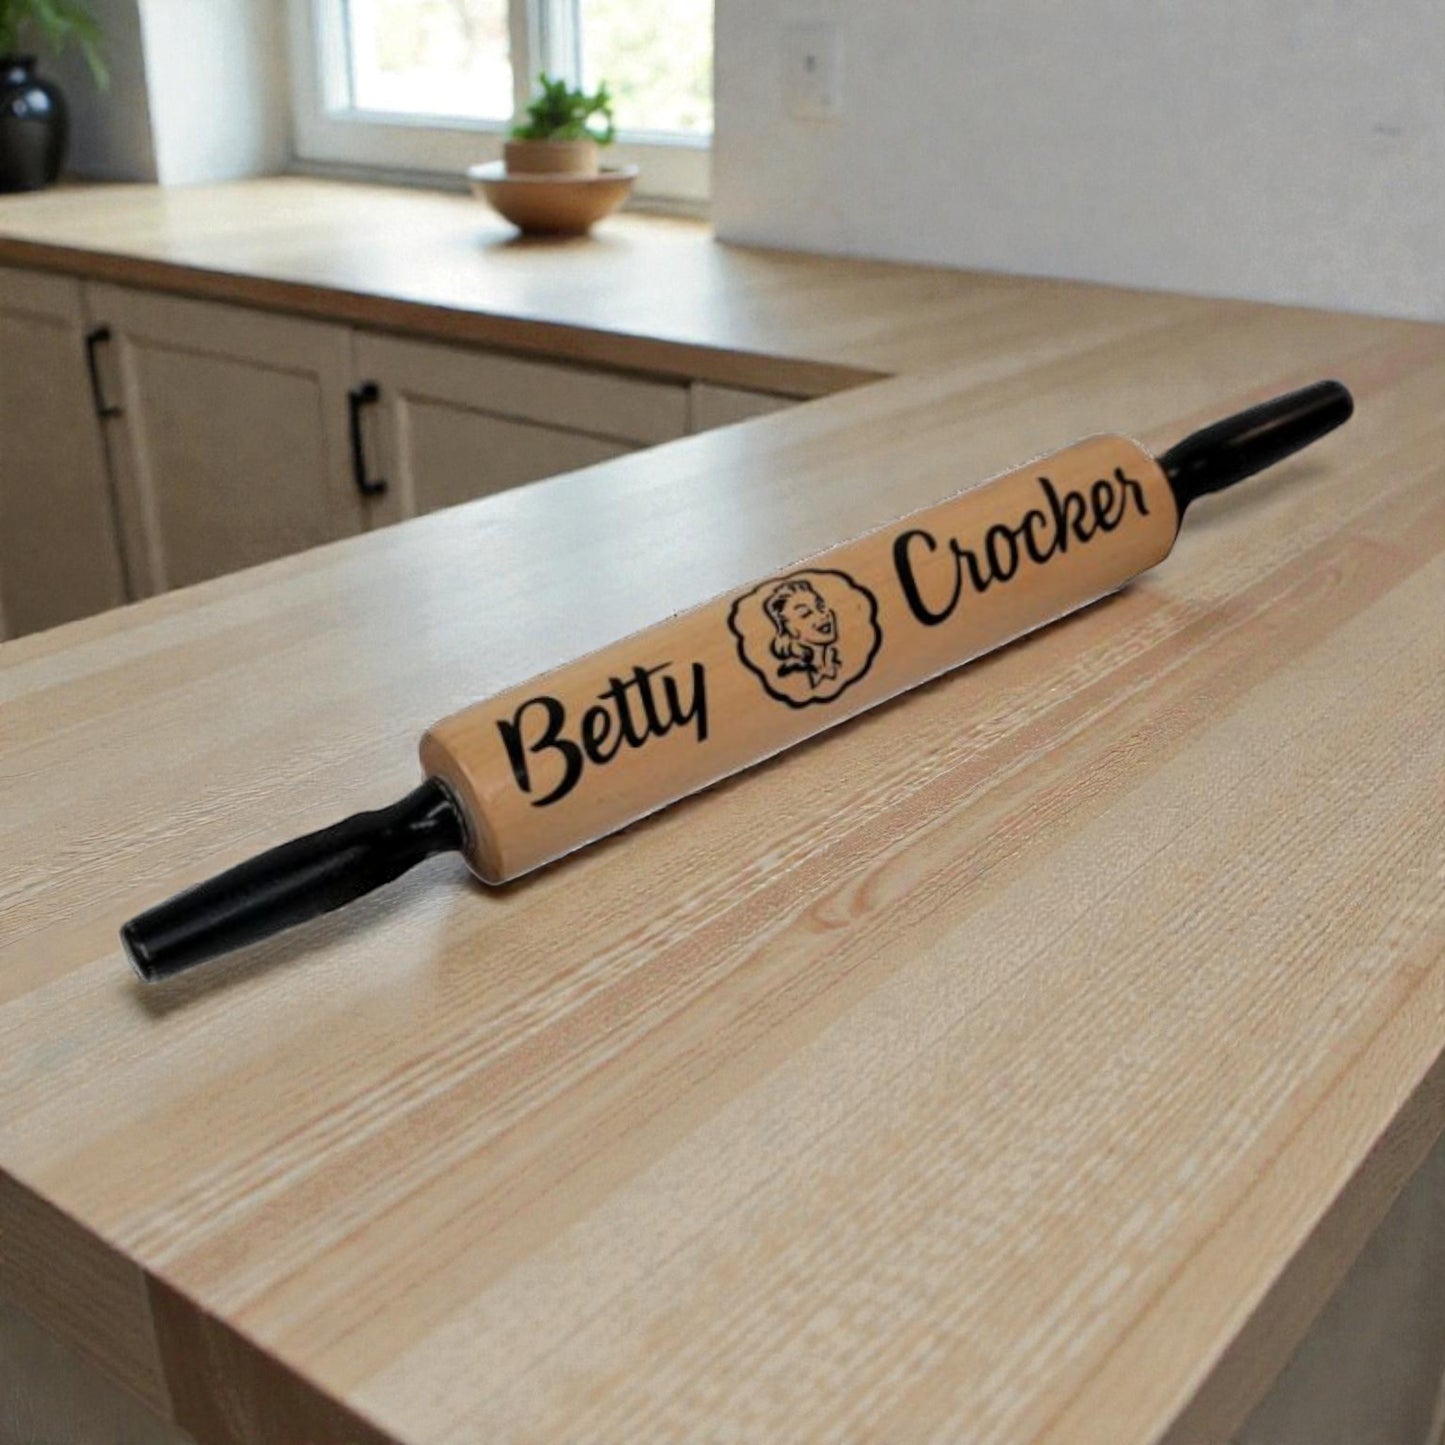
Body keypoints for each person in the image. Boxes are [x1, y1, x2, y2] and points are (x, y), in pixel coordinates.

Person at [764, 578, 841, 690]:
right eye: (806, 613)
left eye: (821, 606)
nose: (822, 615)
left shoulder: (837, 662)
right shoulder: (790, 677)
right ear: (790, 629)